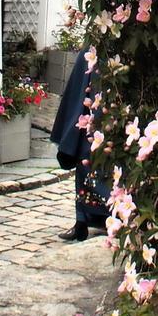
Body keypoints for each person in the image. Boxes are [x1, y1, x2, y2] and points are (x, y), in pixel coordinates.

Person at [49, 48, 109, 241]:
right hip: (96, 64)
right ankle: (81, 220)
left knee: (106, 151)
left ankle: (111, 218)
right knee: (84, 148)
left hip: (112, 72)